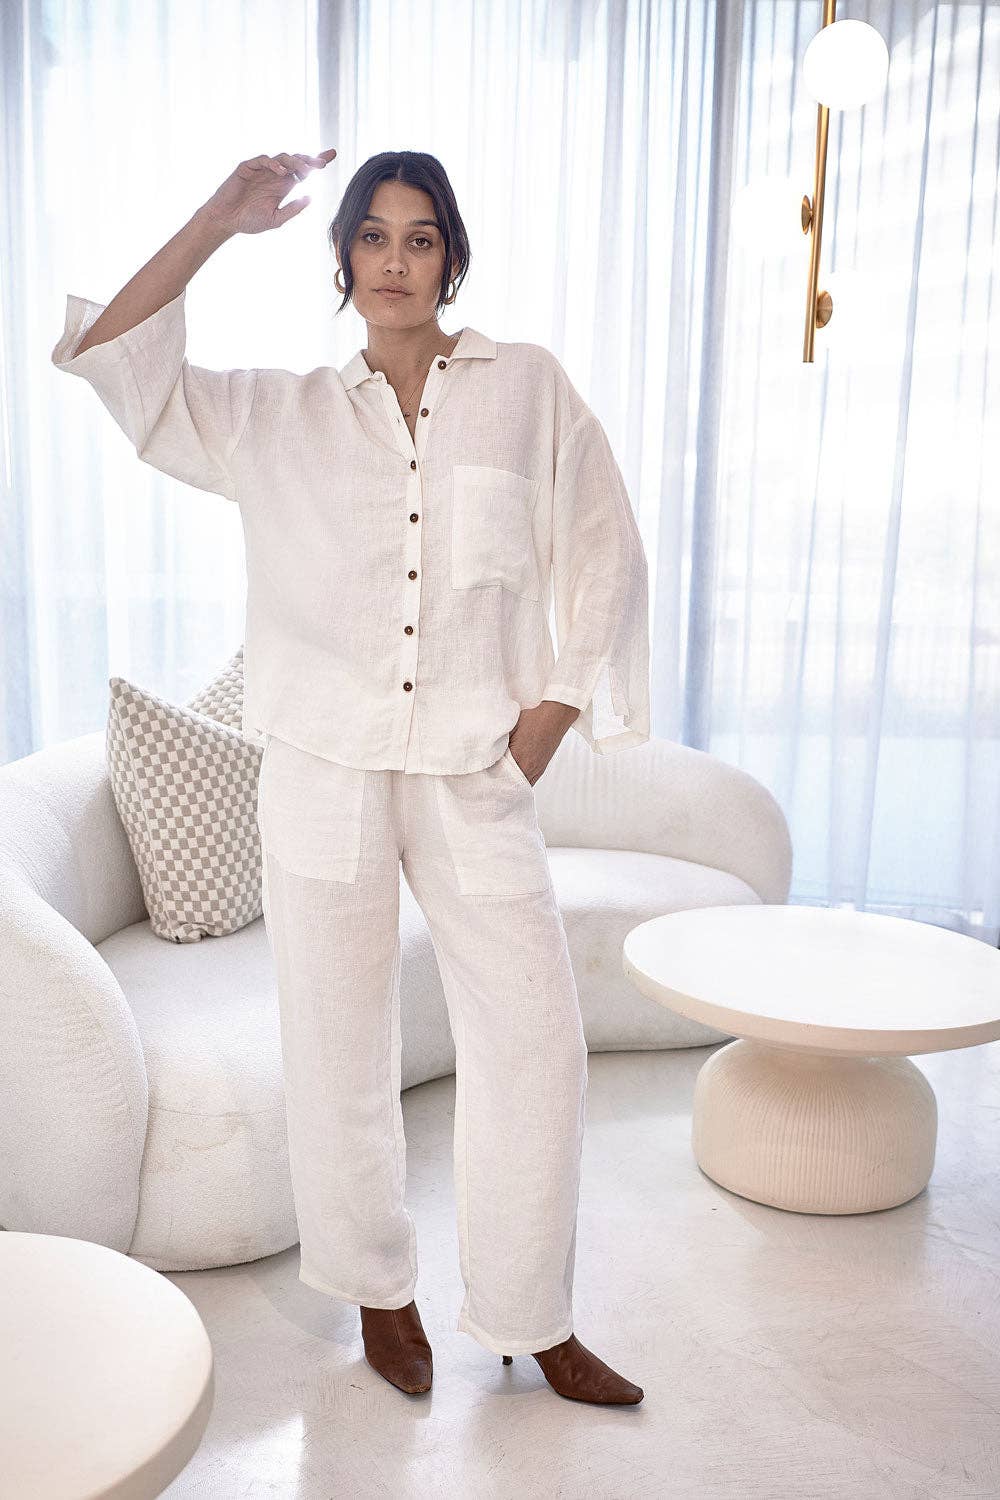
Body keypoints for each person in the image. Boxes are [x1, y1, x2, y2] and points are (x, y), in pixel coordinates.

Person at [51, 147, 651, 1405]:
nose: (394, 260)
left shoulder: (527, 390)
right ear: (341, 260)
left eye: (419, 238)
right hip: (321, 767)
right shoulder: (279, 418)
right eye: (372, 236)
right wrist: (217, 218)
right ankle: (380, 1295)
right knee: (336, 1040)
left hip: (471, 770)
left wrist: (547, 720)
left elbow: (605, 546)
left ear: (451, 258)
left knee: (536, 1040)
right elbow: (115, 360)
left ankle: (532, 1316)